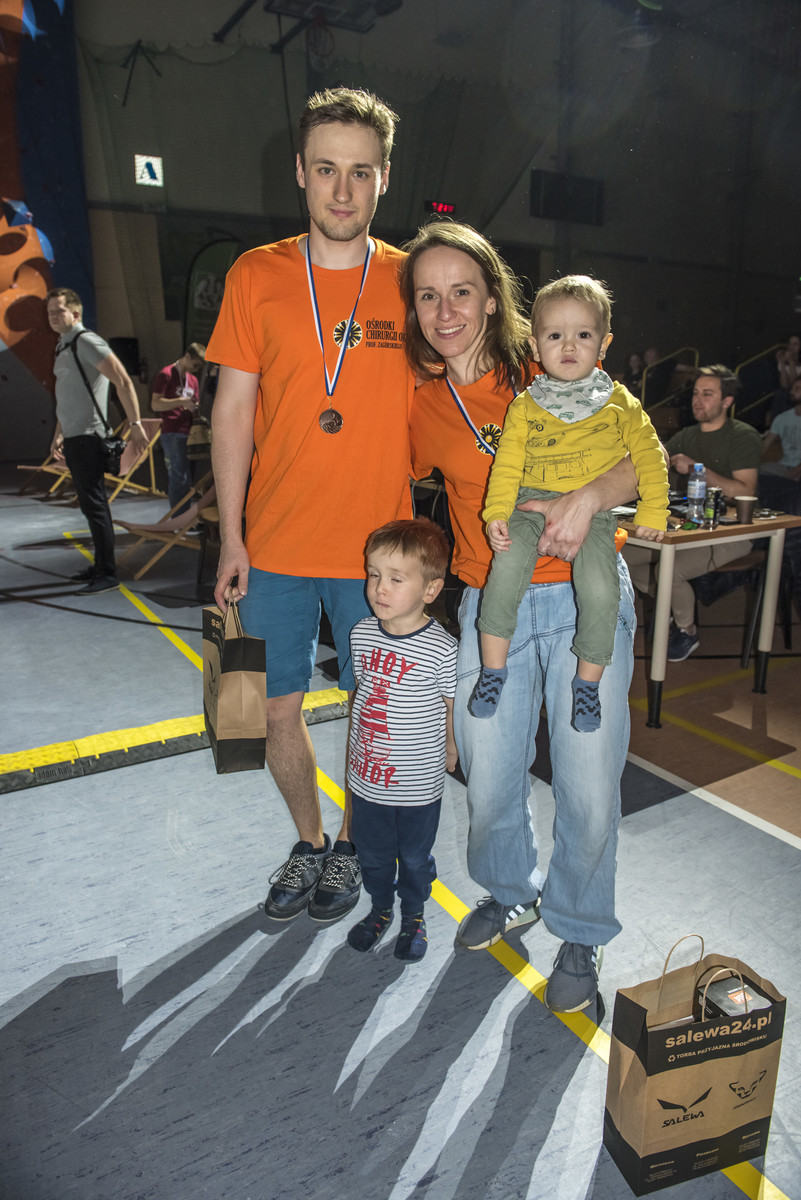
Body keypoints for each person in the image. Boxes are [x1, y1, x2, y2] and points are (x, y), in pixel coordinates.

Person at [402, 221, 643, 1013]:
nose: (445, 311)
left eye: (460, 292)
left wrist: (588, 497)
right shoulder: (423, 406)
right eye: (427, 295)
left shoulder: (549, 364)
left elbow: (636, 459)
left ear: (490, 300)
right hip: (492, 606)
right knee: (488, 774)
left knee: (587, 787)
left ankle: (579, 927)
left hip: (581, 595)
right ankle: (510, 890)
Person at [205, 88, 414, 926]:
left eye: (360, 172)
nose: (342, 190)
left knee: (375, 713)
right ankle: (308, 839)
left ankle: (353, 848)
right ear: (299, 171)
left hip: (380, 558)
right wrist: (231, 537)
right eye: (326, 169)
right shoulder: (256, 274)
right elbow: (231, 413)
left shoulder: (410, 280)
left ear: (383, 178)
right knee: (267, 710)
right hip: (275, 547)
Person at [470, 276, 668, 731]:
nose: (569, 346)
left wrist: (654, 511)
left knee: (601, 590)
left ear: (604, 344)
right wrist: (496, 513)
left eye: (583, 334)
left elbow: (650, 456)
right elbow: (507, 465)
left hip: (593, 515)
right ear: (535, 347)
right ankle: (493, 672)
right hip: (528, 502)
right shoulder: (525, 405)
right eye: (555, 335)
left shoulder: (619, 402)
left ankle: (587, 685)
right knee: (504, 572)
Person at [346, 518, 457, 962]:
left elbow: (451, 705)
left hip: (416, 786)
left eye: (396, 579)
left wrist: (452, 747)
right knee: (372, 854)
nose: (379, 588)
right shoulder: (361, 633)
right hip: (367, 780)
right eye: (374, 574)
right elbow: (363, 694)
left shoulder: (442, 649)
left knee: (413, 858)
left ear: (431, 589)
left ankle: (413, 913)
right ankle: (380, 909)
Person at [624, 364, 762, 662]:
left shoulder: (742, 435)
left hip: (732, 532)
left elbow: (744, 490)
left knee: (668, 569)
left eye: (707, 394)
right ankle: (673, 606)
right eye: (696, 393)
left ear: (727, 401)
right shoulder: (687, 435)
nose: (697, 400)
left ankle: (686, 629)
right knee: (620, 555)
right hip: (691, 527)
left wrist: (698, 468)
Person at [45, 287, 147, 595]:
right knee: (89, 507)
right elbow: (68, 395)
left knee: (96, 505)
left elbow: (122, 379)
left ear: (75, 313)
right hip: (74, 437)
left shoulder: (86, 341)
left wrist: (136, 423)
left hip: (89, 438)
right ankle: (100, 565)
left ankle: (107, 573)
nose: (52, 316)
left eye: (59, 311)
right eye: (49, 312)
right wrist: (58, 432)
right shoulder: (63, 345)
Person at [150, 343, 206, 511]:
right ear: (187, 356)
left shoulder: (193, 380)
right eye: (195, 365)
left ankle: (184, 516)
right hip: (173, 432)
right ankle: (178, 518)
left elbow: (194, 402)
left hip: (191, 433)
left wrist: (194, 407)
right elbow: (155, 404)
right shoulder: (166, 374)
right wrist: (180, 402)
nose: (196, 369)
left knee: (187, 479)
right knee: (179, 478)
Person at [760, 377, 801, 481]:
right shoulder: (782, 418)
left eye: (797, 388)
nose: (791, 392)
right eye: (792, 388)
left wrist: (787, 478)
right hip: (784, 466)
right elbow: (765, 444)